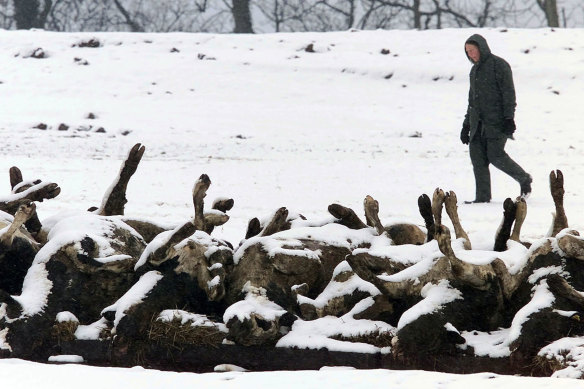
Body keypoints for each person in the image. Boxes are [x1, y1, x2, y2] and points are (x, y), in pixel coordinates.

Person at [460, 34, 532, 204]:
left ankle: (524, 179)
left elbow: (508, 94)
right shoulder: (474, 71)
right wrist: (466, 125)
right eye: (467, 52)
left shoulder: (499, 65)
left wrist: (509, 118)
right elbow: (472, 101)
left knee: (495, 155)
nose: (471, 54)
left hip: (497, 122)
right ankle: (482, 197)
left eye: (472, 50)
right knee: (477, 157)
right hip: (477, 123)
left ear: (481, 47)